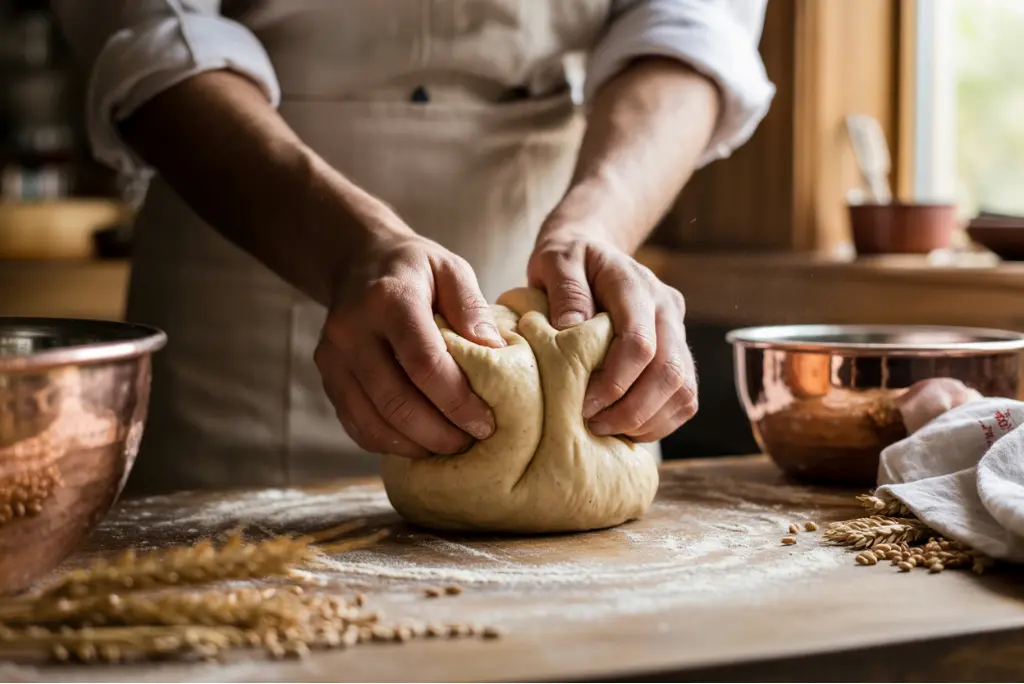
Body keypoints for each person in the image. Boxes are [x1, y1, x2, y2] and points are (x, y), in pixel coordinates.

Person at [52, 0, 775, 494]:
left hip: (556, 246)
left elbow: (693, 22)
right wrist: (348, 251)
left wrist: (601, 225)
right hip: (244, 286)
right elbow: (147, 32)